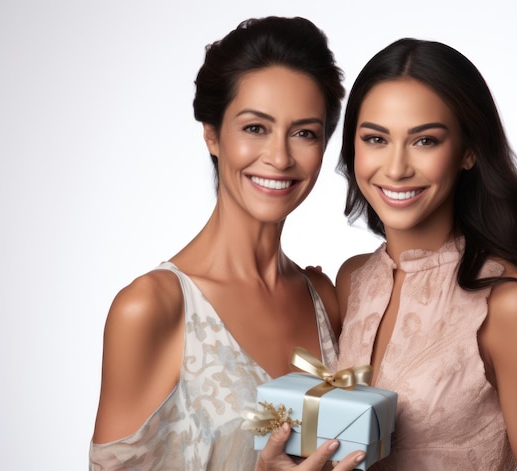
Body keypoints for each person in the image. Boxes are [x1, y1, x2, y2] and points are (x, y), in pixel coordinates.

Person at [89, 16, 363, 470]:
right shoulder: (151, 309)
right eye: (255, 127)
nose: (279, 157)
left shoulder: (325, 299)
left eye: (304, 133)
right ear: (212, 134)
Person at [334, 38, 517, 470]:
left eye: (424, 141)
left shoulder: (511, 303)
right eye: (376, 139)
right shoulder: (353, 282)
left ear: (468, 151)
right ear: (353, 148)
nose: (397, 167)